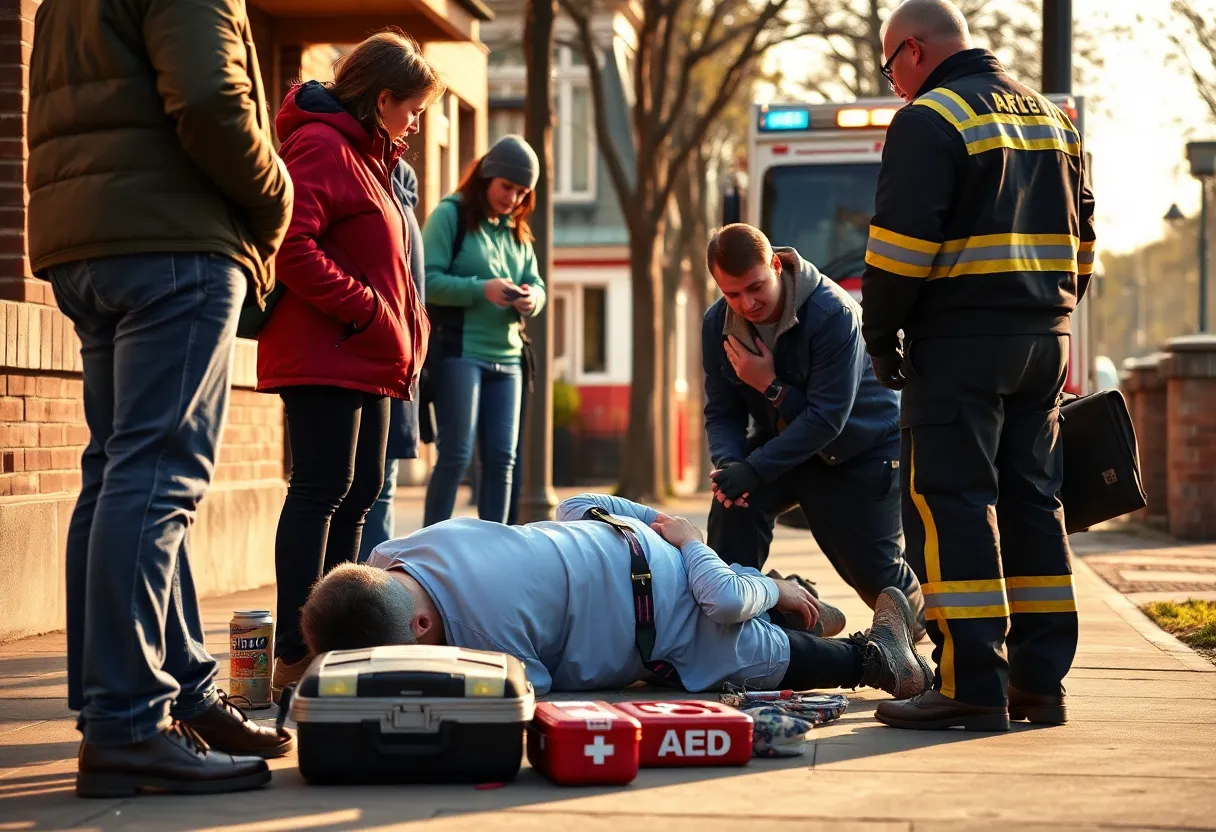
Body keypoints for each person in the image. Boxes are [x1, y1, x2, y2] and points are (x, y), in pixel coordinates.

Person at [27, 0, 294, 797]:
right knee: (153, 480)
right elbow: (212, 101)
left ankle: (175, 690)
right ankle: (127, 724)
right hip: (171, 243)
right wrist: (274, 198)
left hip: (92, 242)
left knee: (120, 472)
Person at [862, 0, 1095, 731]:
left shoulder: (930, 119)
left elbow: (901, 247)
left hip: (961, 347)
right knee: (1034, 504)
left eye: (889, 67)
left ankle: (970, 686)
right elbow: (1085, 235)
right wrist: (1052, 310)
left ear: (914, 51)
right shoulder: (1053, 119)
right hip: (1044, 341)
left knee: (952, 503)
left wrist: (882, 333)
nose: (893, 84)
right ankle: (1039, 683)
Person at [301, 494, 932, 699]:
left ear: (419, 628)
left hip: (663, 618)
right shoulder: (405, 553)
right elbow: (366, 585)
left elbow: (542, 692)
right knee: (576, 510)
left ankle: (873, 658)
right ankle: (778, 594)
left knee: (745, 654)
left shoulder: (488, 644)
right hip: (620, 533)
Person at [256, 31, 443, 702]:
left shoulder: (372, 158)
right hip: (327, 353)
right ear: (382, 96)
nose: (417, 120)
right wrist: (365, 310)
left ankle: (337, 642)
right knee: (321, 489)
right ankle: (293, 653)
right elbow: (290, 246)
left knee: (361, 491)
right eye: (413, 107)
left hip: (368, 356)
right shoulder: (322, 145)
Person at [701, 224, 926, 638]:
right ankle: (739, 626)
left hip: (860, 449)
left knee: (874, 574)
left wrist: (768, 384)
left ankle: (916, 622)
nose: (746, 303)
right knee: (735, 506)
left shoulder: (832, 313)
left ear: (775, 264)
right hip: (784, 446)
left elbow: (827, 419)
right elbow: (721, 412)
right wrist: (732, 464)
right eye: (732, 293)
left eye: (755, 287)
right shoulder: (717, 325)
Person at [421, 135, 545, 527]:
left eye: (522, 192)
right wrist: (482, 289)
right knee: (456, 455)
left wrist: (531, 299)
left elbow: (537, 283)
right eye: (507, 187)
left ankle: (497, 550)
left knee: (502, 459)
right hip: (461, 352)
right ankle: (428, 546)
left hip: (508, 358)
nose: (513, 198)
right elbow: (425, 280)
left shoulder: (516, 231)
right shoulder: (450, 216)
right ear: (486, 176)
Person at [358, 159, 428, 562]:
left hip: (398, 359)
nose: (416, 123)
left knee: (382, 483)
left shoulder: (402, 183)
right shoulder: (355, 165)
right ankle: (352, 598)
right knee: (357, 486)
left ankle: (370, 593)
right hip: (369, 352)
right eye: (412, 110)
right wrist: (372, 315)